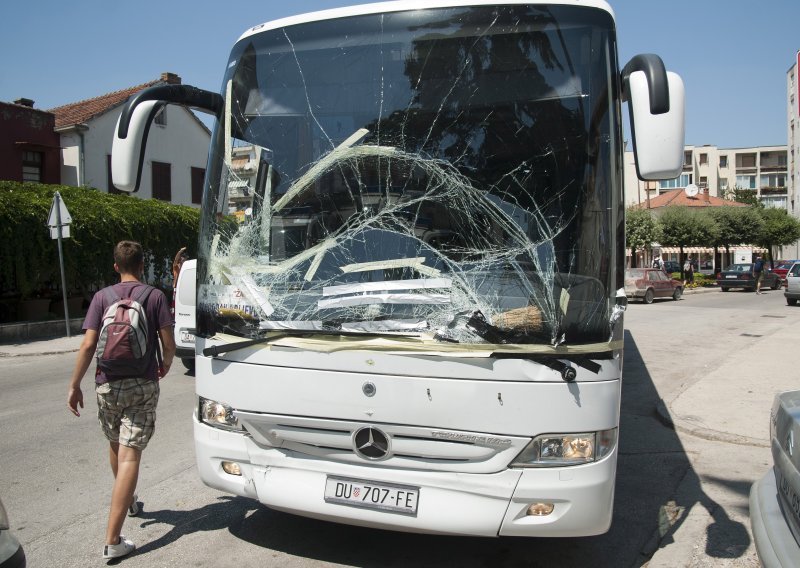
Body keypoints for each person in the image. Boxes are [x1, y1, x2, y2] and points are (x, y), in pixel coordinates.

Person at [66, 241, 176, 560]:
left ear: (116, 267)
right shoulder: (154, 296)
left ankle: (127, 497)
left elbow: (88, 346)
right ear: (142, 265)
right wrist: (165, 364)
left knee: (116, 444)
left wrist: (74, 385)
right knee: (130, 456)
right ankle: (113, 540)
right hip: (142, 383)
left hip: (107, 384)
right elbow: (168, 343)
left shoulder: (101, 297)